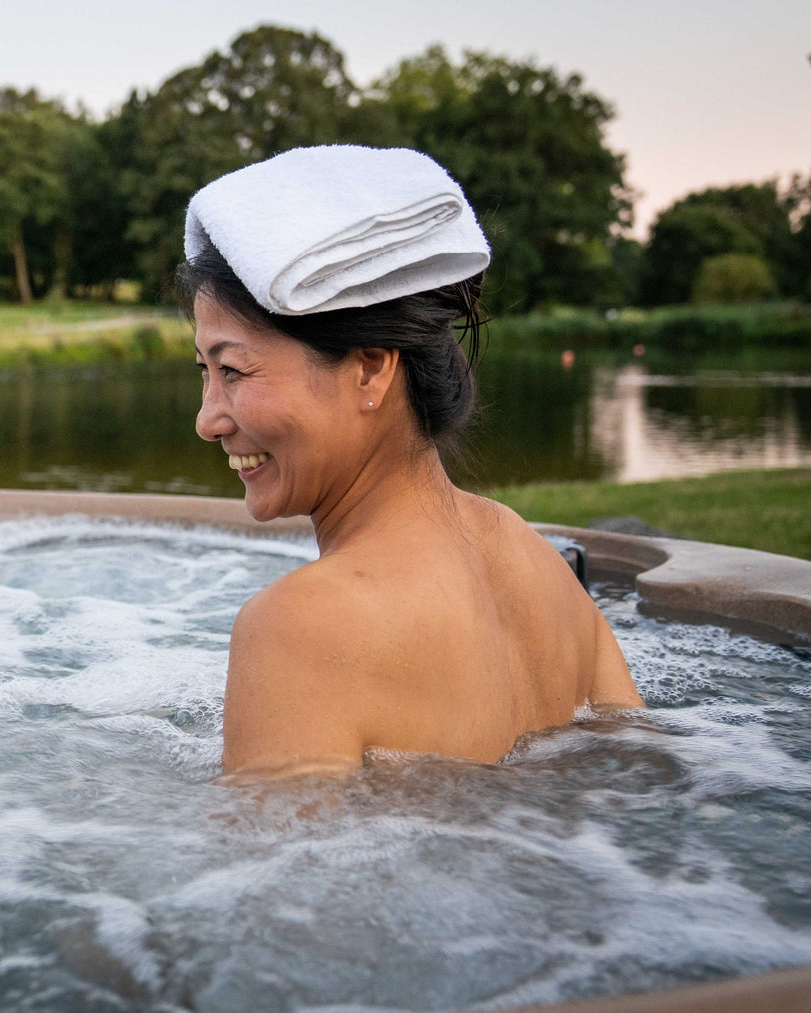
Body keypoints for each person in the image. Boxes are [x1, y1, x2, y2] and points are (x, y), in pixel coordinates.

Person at [177, 146, 643, 780]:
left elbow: (278, 876)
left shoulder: (298, 628)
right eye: (205, 373)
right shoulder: (536, 562)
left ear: (370, 367)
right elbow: (640, 777)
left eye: (233, 370)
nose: (208, 419)